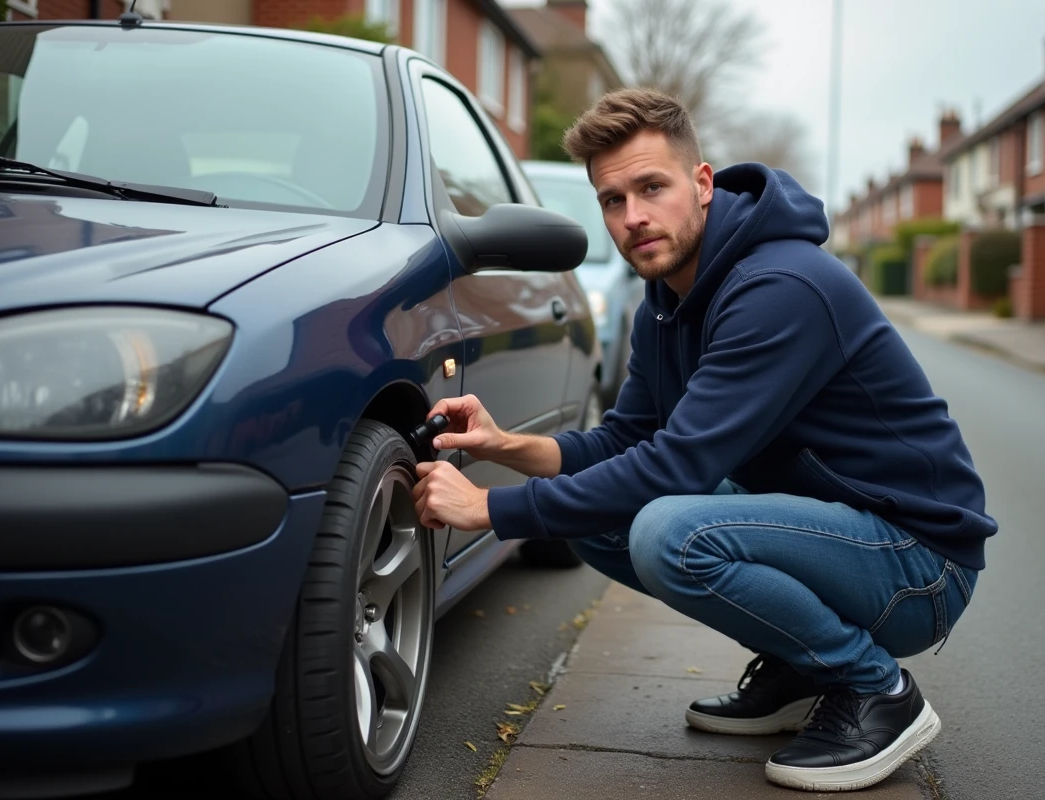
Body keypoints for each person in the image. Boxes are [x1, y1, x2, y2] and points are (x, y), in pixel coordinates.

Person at [412, 87, 996, 792]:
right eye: (612, 200)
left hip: (918, 563)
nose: (634, 218)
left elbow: (679, 464)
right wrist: (507, 446)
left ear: (702, 184)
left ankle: (876, 690)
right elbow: (628, 437)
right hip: (843, 536)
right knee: (597, 520)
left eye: (651, 187)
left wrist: (492, 512)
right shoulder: (667, 301)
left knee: (669, 533)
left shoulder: (780, 287)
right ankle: (801, 667)